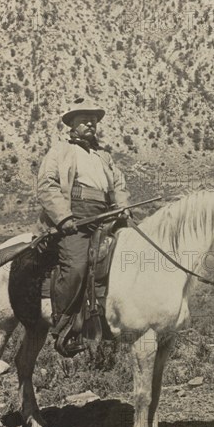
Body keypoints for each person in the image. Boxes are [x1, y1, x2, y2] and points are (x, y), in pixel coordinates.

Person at [36, 97, 130, 353]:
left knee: (133, 256)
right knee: (77, 265)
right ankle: (65, 327)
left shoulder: (104, 156)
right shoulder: (60, 151)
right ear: (72, 125)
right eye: (84, 119)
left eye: (94, 120)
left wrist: (122, 208)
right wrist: (64, 218)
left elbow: (119, 186)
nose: (90, 123)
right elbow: (47, 185)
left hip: (106, 217)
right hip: (75, 218)